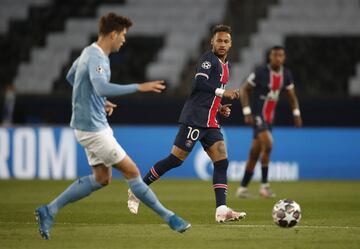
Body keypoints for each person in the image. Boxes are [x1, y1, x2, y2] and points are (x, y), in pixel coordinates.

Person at [34, 12, 190, 240]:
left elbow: (71, 76)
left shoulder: (87, 52)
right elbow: (100, 86)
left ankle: (49, 210)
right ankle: (170, 218)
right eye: (123, 35)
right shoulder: (97, 57)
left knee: (101, 178)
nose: (124, 40)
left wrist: (98, 99)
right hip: (93, 129)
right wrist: (139, 87)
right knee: (133, 171)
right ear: (113, 34)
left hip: (88, 125)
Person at [127, 25, 246, 222]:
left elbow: (207, 95)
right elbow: (199, 84)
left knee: (222, 161)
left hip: (210, 120)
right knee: (175, 160)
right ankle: (137, 190)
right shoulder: (208, 60)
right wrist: (222, 92)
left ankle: (221, 209)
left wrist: (219, 107)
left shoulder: (226, 65)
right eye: (219, 40)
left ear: (231, 44)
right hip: (195, 118)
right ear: (212, 42)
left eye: (226, 41)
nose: (222, 44)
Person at [236, 46, 302, 198]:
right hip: (258, 116)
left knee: (254, 153)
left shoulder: (286, 74)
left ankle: (242, 189)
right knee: (269, 144)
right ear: (270, 57)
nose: (278, 58)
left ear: (284, 57)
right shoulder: (260, 72)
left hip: (270, 119)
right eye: (275, 55)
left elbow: (292, 96)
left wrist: (296, 113)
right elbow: (244, 90)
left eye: (281, 55)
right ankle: (264, 187)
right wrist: (247, 112)